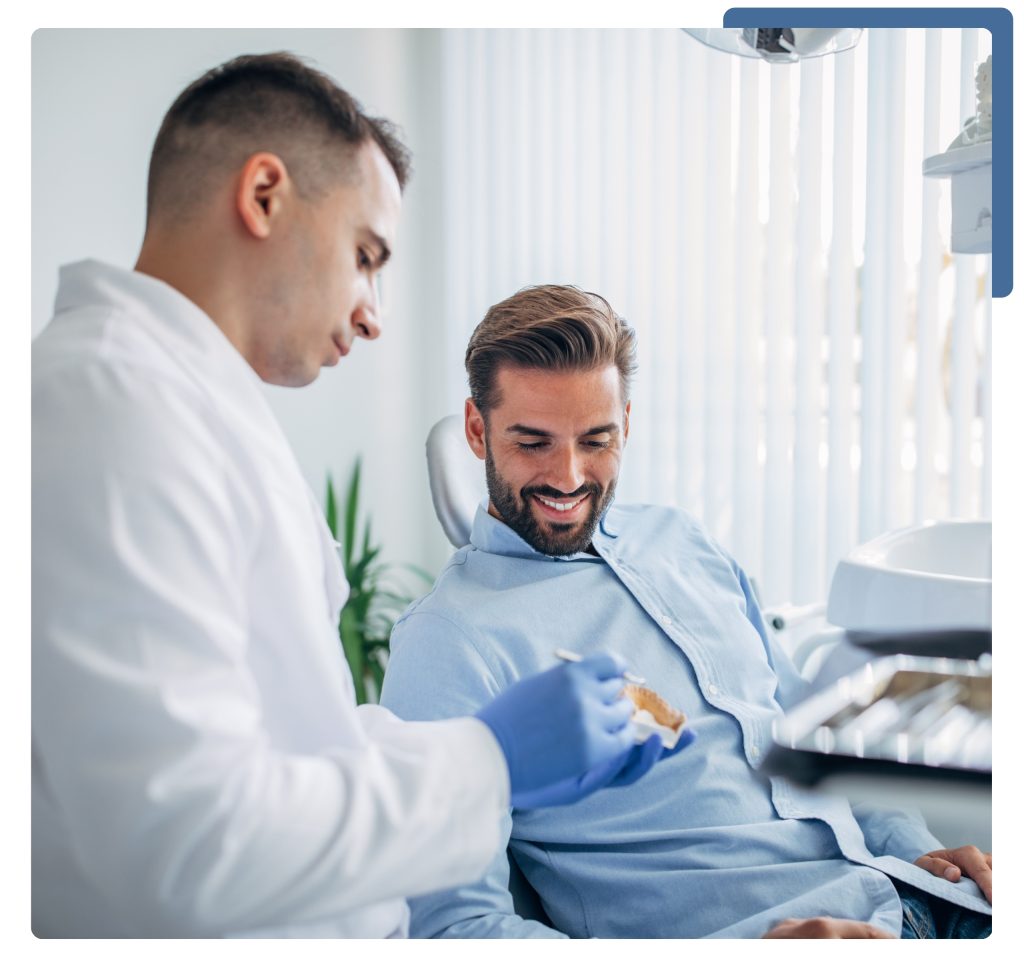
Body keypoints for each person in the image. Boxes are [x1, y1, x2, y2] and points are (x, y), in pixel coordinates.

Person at [31, 54, 679, 939]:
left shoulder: (188, 406)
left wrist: (458, 745)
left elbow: (288, 744)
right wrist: (490, 757)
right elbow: (181, 841)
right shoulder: (110, 404)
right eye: (365, 255)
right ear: (264, 195)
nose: (375, 311)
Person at [379, 284, 994, 939]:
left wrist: (915, 848)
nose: (567, 475)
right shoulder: (449, 642)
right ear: (478, 429)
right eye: (533, 443)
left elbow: (809, 735)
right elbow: (453, 929)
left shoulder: (682, 541)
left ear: (627, 423)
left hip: (921, 899)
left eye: (596, 440)